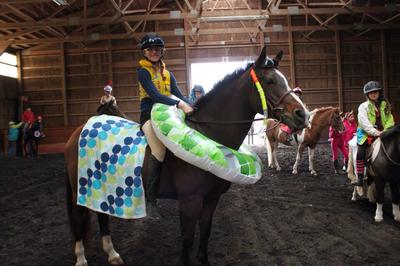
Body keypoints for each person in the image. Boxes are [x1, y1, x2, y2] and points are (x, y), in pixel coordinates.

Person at [138, 33, 193, 219]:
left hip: (167, 114)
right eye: (150, 49)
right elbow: (154, 96)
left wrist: (192, 104)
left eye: (156, 49)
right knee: (159, 151)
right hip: (148, 114)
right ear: (145, 52)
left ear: (162, 51)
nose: (153, 52)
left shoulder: (167, 74)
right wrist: (179, 104)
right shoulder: (143, 72)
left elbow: (180, 94)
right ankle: (151, 201)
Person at [354, 81, 394, 186]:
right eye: (371, 93)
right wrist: (376, 132)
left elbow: (390, 119)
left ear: (379, 93)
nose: (374, 94)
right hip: (367, 133)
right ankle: (360, 176)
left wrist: (386, 130)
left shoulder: (385, 105)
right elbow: (364, 123)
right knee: (361, 151)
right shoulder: (363, 107)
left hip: (384, 131)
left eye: (376, 92)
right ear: (367, 95)